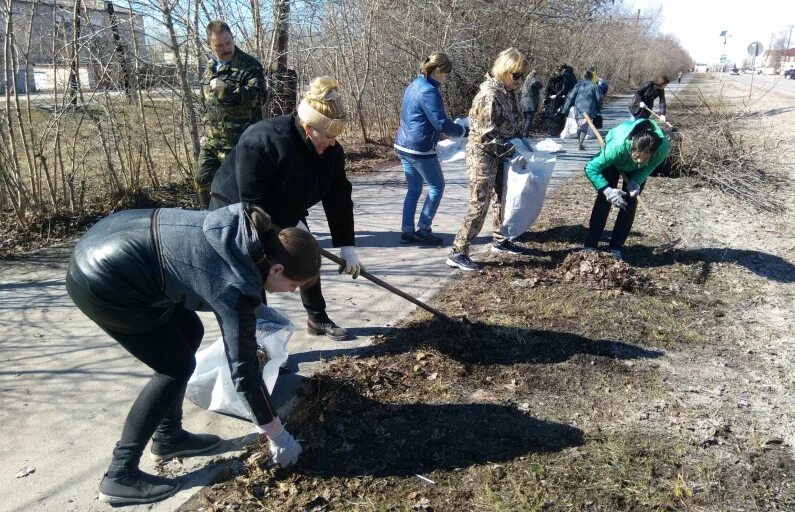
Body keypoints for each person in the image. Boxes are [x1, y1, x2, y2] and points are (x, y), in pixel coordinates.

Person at [66, 203, 320, 505]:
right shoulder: (236, 283)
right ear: (276, 269)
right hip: (103, 280)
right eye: (294, 285)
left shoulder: (244, 233)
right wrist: (278, 434)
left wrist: (252, 312)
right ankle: (120, 474)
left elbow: (212, 281)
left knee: (190, 332)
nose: (292, 292)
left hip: (115, 245)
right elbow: (245, 372)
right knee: (173, 367)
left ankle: (169, 437)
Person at [210, 76, 362, 341]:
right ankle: (259, 340)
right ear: (308, 127)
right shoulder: (263, 140)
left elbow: (338, 195)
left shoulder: (330, 151)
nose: (333, 143)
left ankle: (317, 318)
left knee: (306, 255)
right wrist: (291, 227)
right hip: (237, 207)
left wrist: (347, 245)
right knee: (253, 270)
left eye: (336, 137)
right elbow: (252, 203)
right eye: (328, 136)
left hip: (284, 204)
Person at [446, 47, 530, 271]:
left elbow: (515, 121)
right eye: (516, 75)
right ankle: (458, 251)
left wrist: (522, 142)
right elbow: (487, 137)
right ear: (504, 71)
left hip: (502, 151)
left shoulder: (507, 91)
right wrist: (513, 152)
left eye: (521, 75)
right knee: (479, 204)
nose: (519, 80)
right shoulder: (489, 95)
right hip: (483, 156)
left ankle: (500, 240)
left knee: (502, 197)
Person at [394, 52, 468, 245]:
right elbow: (441, 122)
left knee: (414, 189)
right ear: (436, 71)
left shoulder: (414, 84)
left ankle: (407, 230)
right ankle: (424, 229)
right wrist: (463, 130)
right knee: (437, 186)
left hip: (404, 144)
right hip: (419, 148)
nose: (445, 77)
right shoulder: (429, 90)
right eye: (444, 73)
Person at [195, 21, 266, 208]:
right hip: (213, 140)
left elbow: (259, 98)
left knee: (236, 191)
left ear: (233, 38)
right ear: (209, 44)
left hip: (239, 142)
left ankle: (245, 228)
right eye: (219, 45)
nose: (226, 49)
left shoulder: (249, 65)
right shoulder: (210, 67)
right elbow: (209, 102)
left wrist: (228, 88)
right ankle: (209, 224)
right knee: (202, 181)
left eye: (228, 42)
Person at [583, 119, 670, 259]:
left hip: (636, 170)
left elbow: (650, 165)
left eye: (645, 158)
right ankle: (590, 244)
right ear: (633, 148)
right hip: (615, 160)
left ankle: (615, 247)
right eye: (637, 157)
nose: (640, 161)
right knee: (604, 201)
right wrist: (607, 190)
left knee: (630, 203)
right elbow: (591, 168)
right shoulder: (617, 146)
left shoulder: (662, 148)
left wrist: (637, 181)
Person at [562, 70, 603, 150]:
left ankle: (579, 142)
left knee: (580, 125)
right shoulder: (594, 86)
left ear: (584, 77)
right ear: (591, 77)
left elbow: (571, 96)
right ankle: (580, 143)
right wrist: (598, 109)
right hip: (589, 109)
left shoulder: (579, 85)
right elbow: (599, 99)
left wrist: (566, 108)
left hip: (578, 108)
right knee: (583, 127)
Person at [520, 68, 543, 137]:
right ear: (535, 74)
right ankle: (525, 134)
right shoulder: (533, 79)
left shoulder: (526, 80)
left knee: (525, 119)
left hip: (524, 101)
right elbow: (537, 84)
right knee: (529, 119)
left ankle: (522, 133)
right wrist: (540, 84)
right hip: (529, 102)